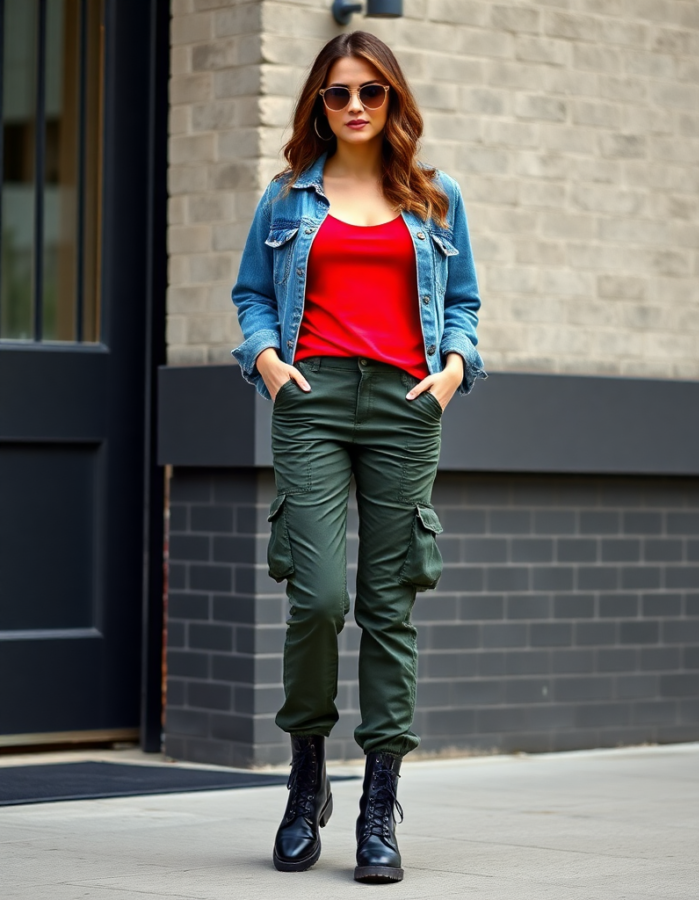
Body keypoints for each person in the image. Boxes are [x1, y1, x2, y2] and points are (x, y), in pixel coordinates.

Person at [231, 30, 486, 884]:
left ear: (392, 101)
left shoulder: (433, 196)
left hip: (405, 405)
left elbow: (464, 302)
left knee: (388, 605)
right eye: (337, 93)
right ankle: (307, 782)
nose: (353, 107)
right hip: (309, 400)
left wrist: (452, 369)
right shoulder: (286, 198)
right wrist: (266, 363)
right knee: (318, 596)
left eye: (370, 93)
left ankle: (378, 805)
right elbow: (252, 294)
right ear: (316, 102)